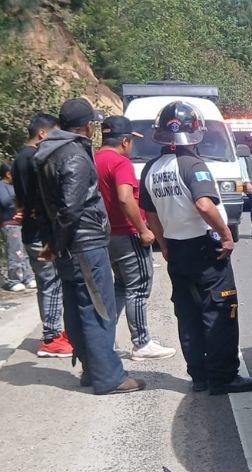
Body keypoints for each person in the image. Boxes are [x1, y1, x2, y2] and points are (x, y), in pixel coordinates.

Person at [140, 101, 252, 395]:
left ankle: (200, 376)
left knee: (189, 313)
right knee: (220, 310)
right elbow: (204, 204)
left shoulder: (150, 169)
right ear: (196, 133)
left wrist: (165, 245)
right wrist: (226, 234)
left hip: (177, 251)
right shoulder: (193, 165)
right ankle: (223, 377)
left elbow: (152, 215)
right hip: (206, 249)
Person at [33, 98, 144, 395]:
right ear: (89, 126)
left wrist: (52, 242)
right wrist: (58, 241)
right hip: (84, 244)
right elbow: (71, 208)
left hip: (68, 246)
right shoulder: (74, 155)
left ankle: (90, 368)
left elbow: (42, 205)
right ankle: (108, 377)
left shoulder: (46, 154)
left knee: (78, 308)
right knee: (99, 310)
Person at [96, 115, 176, 361]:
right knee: (139, 288)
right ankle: (142, 343)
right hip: (127, 234)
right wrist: (142, 228)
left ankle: (105, 339)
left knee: (121, 288)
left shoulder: (94, 159)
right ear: (125, 141)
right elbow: (124, 197)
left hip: (106, 235)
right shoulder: (120, 163)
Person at [13, 113, 73, 357]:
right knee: (51, 283)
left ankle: (54, 333)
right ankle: (51, 338)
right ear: (42, 133)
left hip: (31, 228)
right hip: (40, 231)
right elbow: (42, 198)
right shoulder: (35, 159)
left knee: (47, 283)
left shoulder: (19, 159)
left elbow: (23, 198)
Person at [1, 162, 36, 292]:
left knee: (25, 251)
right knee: (15, 252)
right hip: (10, 223)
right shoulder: (2, 186)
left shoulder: (16, 186)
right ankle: (14, 279)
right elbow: (5, 201)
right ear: (8, 174)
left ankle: (28, 277)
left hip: (23, 223)